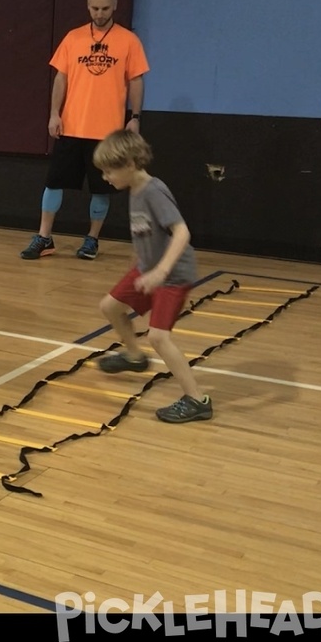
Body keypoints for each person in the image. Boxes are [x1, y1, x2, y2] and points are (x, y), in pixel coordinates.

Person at [22, 0, 149, 261]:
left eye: (105, 8)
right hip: (71, 126)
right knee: (53, 183)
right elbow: (61, 78)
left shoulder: (128, 41)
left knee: (102, 187)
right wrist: (55, 113)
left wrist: (135, 118)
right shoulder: (73, 38)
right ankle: (44, 237)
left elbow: (136, 80)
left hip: (107, 131)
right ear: (87, 4)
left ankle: (92, 239)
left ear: (115, 5)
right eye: (95, 8)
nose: (100, 13)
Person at [91, 129, 211, 424]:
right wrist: (140, 263)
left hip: (172, 275)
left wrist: (160, 271)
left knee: (159, 337)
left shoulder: (154, 191)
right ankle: (134, 357)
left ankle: (198, 400)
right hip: (148, 269)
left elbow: (182, 232)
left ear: (130, 164)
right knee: (109, 306)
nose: (106, 177)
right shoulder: (133, 189)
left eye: (109, 171)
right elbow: (143, 232)